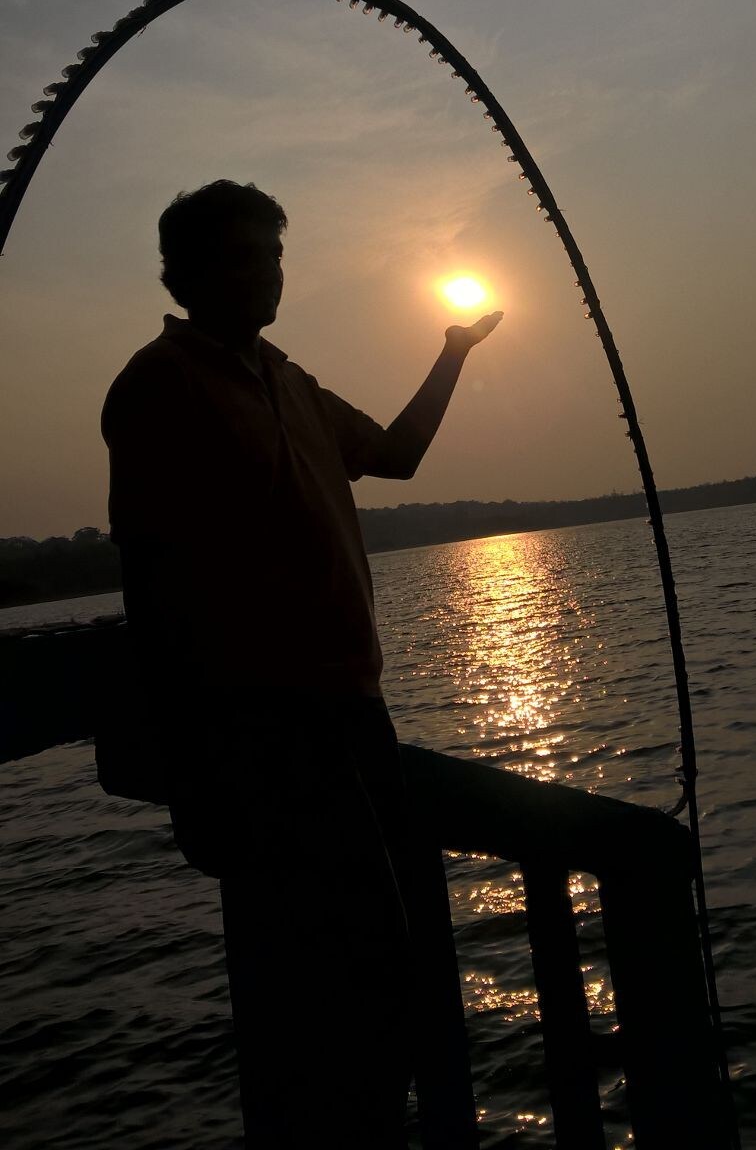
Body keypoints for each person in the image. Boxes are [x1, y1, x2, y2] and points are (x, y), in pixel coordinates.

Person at [99, 179, 501, 1149]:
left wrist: (453, 354)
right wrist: (193, 768)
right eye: (244, 256)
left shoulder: (290, 379)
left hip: (354, 710)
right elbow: (150, 575)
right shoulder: (158, 382)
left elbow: (399, 454)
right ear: (188, 275)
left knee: (379, 964)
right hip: (261, 727)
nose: (267, 271)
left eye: (274, 253)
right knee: (333, 978)